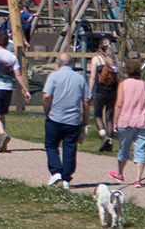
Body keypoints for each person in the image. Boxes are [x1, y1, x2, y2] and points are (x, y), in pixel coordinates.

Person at [41, 52, 91, 189]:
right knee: (70, 148)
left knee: (51, 145)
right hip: (73, 119)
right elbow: (86, 99)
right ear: (72, 63)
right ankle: (67, 177)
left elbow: (46, 96)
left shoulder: (53, 77)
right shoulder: (80, 78)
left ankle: (56, 172)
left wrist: (47, 111)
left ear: (59, 63)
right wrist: (85, 118)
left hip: (55, 117)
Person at [110, 62, 145, 187]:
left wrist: (115, 123)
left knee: (123, 147)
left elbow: (119, 104)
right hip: (143, 120)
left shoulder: (123, 84)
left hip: (126, 120)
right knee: (141, 149)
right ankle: (138, 179)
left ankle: (120, 174)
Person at [88, 38, 121, 152]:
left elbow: (92, 77)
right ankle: (110, 142)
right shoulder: (115, 60)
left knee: (97, 114)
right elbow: (118, 78)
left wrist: (89, 92)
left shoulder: (96, 59)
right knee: (109, 117)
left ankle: (103, 135)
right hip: (113, 91)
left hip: (101, 90)